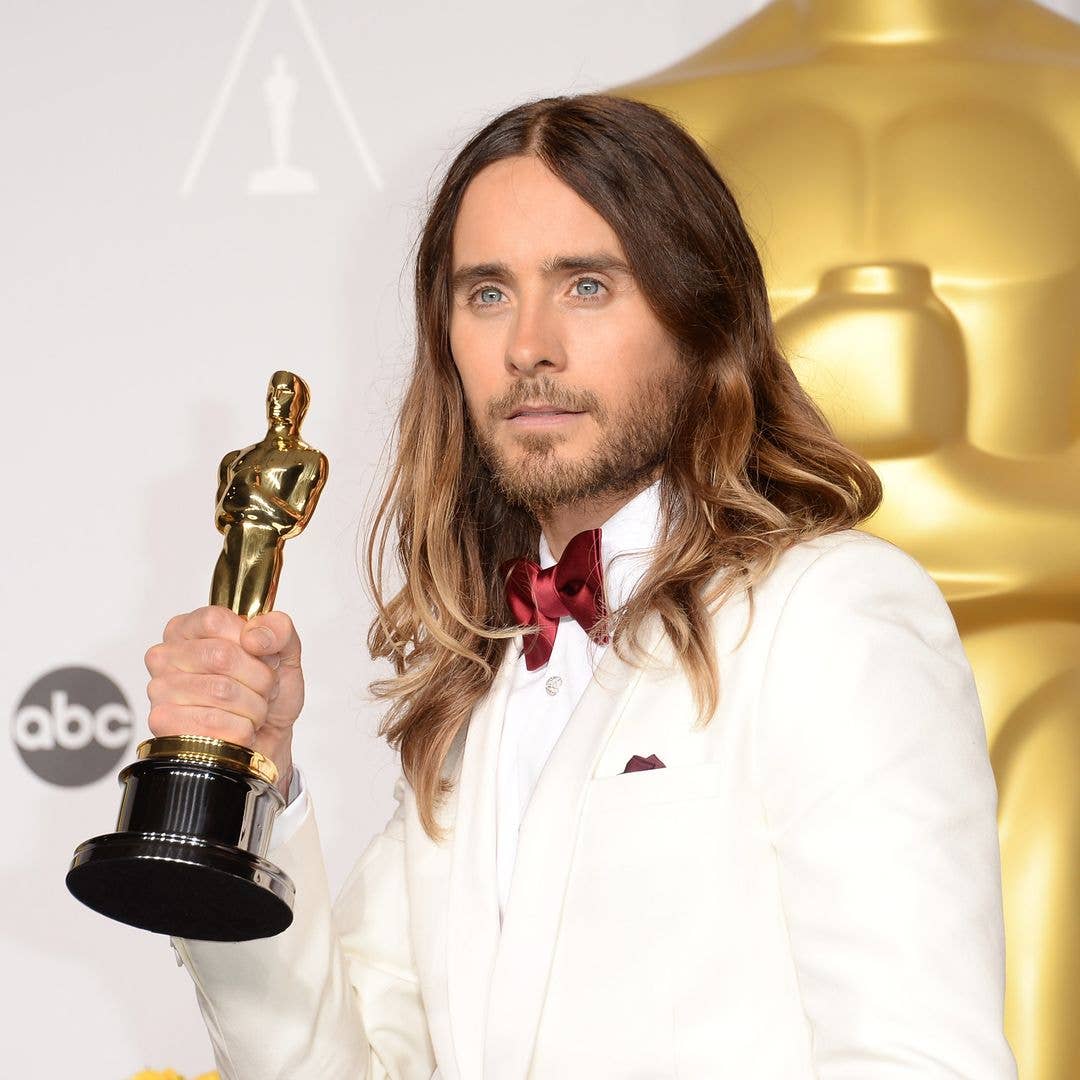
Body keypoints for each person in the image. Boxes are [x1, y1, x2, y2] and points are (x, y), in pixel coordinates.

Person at [149, 94, 1017, 1078]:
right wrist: (249, 784)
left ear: (701, 320)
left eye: (587, 285)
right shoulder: (481, 688)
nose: (529, 345)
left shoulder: (830, 613)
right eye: (488, 293)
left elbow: (917, 1059)